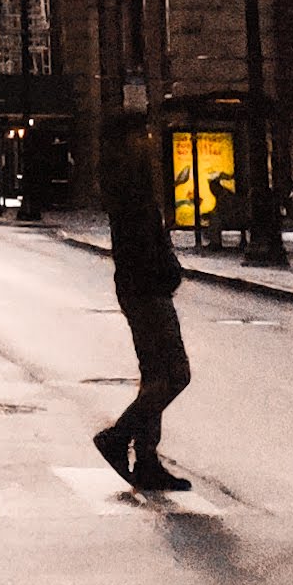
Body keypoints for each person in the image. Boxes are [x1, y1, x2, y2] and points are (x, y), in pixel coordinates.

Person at [93, 119, 192, 494]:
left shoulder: (124, 182)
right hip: (147, 289)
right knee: (175, 374)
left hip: (138, 288)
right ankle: (118, 438)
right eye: (141, 135)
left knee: (155, 376)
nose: (148, 140)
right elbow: (144, 245)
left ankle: (147, 461)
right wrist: (168, 273)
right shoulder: (132, 187)